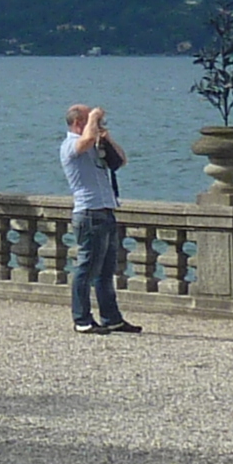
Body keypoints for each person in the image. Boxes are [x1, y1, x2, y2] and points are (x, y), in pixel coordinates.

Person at [62, 103, 137, 334]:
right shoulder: (70, 146)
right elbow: (83, 142)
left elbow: (122, 161)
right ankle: (82, 319)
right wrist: (93, 118)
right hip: (89, 213)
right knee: (86, 269)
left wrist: (107, 138)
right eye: (90, 121)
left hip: (106, 211)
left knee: (105, 271)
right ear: (78, 123)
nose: (96, 125)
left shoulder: (95, 147)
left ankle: (111, 318)